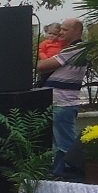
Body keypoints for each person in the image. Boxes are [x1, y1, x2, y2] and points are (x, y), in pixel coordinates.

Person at [37, 19, 87, 176]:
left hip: (63, 104)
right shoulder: (69, 49)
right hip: (59, 103)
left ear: (76, 31)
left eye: (64, 30)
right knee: (59, 145)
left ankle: (74, 176)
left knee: (66, 145)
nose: (60, 32)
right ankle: (59, 175)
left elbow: (42, 66)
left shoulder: (76, 49)